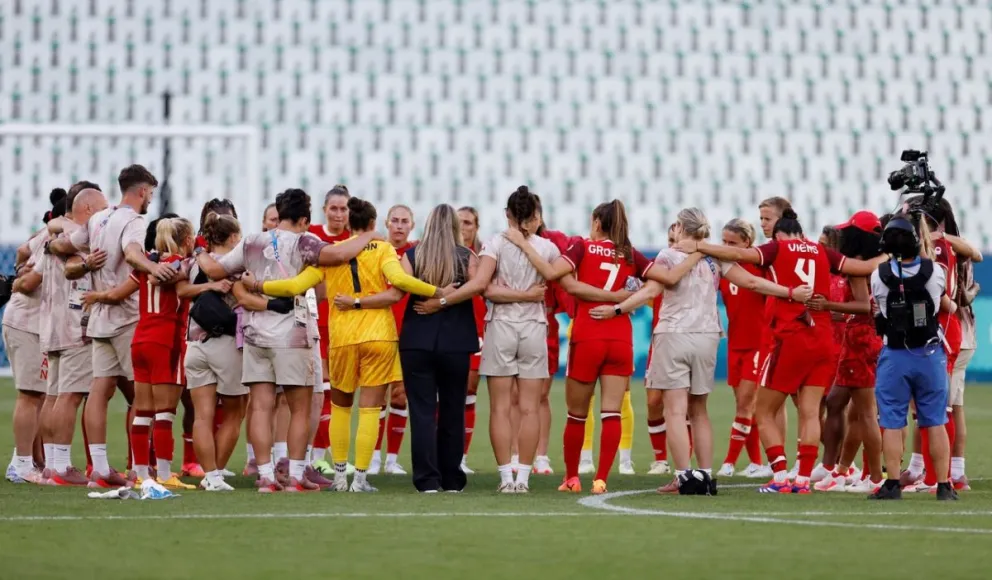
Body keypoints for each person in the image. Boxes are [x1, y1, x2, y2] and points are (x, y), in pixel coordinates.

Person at [601, 208, 809, 495]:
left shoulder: (668, 256)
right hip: (708, 336)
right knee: (699, 410)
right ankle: (706, 475)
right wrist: (788, 292)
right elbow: (750, 281)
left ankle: (684, 476)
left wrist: (615, 309)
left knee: (675, 410)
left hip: (674, 334)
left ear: (680, 228)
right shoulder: (716, 257)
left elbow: (651, 292)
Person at [680, 208, 880, 494]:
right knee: (811, 412)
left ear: (780, 234)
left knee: (763, 411)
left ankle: (780, 477)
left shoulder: (777, 248)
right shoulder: (821, 251)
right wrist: (888, 255)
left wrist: (699, 245)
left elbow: (739, 255)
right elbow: (861, 269)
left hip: (790, 336)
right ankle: (802, 480)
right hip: (822, 339)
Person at [196, 188, 380, 492]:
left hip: (255, 332)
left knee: (260, 407)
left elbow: (216, 269)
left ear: (279, 214)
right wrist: (371, 235)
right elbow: (337, 254)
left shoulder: (252, 240)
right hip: (291, 333)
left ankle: (266, 476)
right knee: (300, 407)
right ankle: (295, 474)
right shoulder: (304, 241)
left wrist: (198, 251)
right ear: (305, 218)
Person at [254, 196, 444, 492]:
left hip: (342, 338)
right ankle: (361, 479)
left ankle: (340, 476)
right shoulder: (383, 249)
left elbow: (294, 286)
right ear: (371, 224)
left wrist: (259, 285)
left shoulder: (332, 253)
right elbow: (400, 281)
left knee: (341, 408)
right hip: (378, 335)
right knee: (370, 410)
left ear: (350, 223)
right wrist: (438, 291)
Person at [507, 200, 660, 494]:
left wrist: (524, 245)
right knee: (612, 412)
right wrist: (620, 302)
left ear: (597, 222)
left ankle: (573, 477)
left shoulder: (582, 248)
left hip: (588, 333)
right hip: (619, 337)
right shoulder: (630, 254)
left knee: (576, 413)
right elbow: (656, 285)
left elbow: (557, 277)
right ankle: (601, 478)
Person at [48, 164, 178, 488]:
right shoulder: (133, 220)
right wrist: (152, 267)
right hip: (126, 317)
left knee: (99, 391)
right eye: (151, 193)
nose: (150, 200)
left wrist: (70, 253)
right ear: (143, 191)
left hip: (98, 319)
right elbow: (132, 254)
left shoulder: (98, 218)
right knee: (143, 397)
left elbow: (65, 247)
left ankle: (100, 470)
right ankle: (141, 470)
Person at [92, 217, 197, 490]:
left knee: (143, 412)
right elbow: (170, 278)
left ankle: (140, 474)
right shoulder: (181, 264)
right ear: (187, 239)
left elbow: (119, 294)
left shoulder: (144, 266)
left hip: (140, 340)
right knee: (165, 412)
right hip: (167, 341)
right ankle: (163, 474)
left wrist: (96, 296)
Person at [869, 214, 957, 501]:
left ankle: (892, 483)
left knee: (893, 421)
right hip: (929, 354)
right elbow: (940, 302)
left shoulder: (877, 275)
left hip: (894, 355)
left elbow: (879, 314)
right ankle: (944, 486)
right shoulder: (936, 271)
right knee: (935, 421)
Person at [397, 204, 482, 492]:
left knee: (421, 412)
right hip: (456, 343)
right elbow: (478, 286)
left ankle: (426, 479)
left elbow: (399, 285)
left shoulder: (412, 255)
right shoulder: (466, 256)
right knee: (452, 410)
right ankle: (451, 478)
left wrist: (432, 296)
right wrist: (446, 298)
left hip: (416, 342)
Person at [32, 185, 108, 485]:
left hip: (51, 321)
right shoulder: (77, 234)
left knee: (53, 396)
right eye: (102, 207)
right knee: (70, 396)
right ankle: (61, 467)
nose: (106, 212)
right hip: (75, 322)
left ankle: (52, 465)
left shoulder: (56, 233)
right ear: (87, 209)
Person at [811, 212, 885, 493]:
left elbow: (864, 307)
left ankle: (875, 478)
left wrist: (828, 307)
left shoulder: (858, 269)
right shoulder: (875, 264)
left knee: (866, 413)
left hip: (860, 340)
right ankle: (838, 469)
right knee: (835, 402)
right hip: (864, 338)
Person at [5, 191, 67, 483]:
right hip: (27, 322)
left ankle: (33, 461)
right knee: (30, 395)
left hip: (36, 324)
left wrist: (19, 268)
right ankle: (21, 464)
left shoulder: (49, 232)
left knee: (39, 395)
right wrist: (21, 278)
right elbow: (29, 282)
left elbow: (20, 250)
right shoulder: (54, 239)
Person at [716, 219, 774, 479]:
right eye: (724, 242)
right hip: (736, 344)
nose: (727, 247)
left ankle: (728, 462)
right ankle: (756, 463)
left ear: (747, 244)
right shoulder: (722, 269)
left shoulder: (759, 268)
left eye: (733, 243)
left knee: (745, 404)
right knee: (742, 403)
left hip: (758, 344)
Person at [369, 204, 417, 475]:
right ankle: (374, 457)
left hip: (407, 332)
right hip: (378, 331)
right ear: (386, 223)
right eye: (395, 221)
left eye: (404, 221)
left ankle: (392, 459)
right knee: (376, 397)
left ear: (411, 225)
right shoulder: (376, 250)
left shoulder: (416, 253)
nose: (399, 225)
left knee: (400, 396)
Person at [308, 185, 352, 474]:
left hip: (346, 324)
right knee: (319, 388)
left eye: (343, 208)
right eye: (333, 208)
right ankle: (318, 456)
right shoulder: (311, 235)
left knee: (339, 390)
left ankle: (327, 456)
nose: (338, 213)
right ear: (324, 210)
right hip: (315, 320)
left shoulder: (354, 239)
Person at [457, 206, 486, 473]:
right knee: (440, 397)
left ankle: (461, 458)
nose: (463, 226)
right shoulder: (438, 254)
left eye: (467, 222)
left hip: (476, 333)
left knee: (468, 394)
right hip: (445, 331)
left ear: (476, 227)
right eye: (458, 222)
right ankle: (438, 453)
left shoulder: (484, 257)